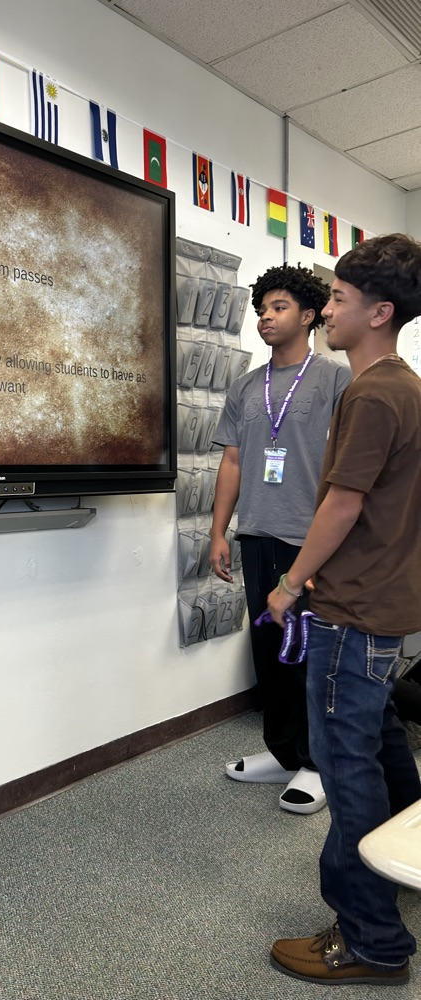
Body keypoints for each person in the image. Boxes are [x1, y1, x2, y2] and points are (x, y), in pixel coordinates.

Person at [267, 233, 421, 986]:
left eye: (337, 300)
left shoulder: (373, 391)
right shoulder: (410, 388)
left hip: (350, 612)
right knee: (386, 746)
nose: (327, 310)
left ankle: (372, 939)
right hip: (387, 610)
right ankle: (405, 869)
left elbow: (343, 505)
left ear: (380, 312)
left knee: (346, 768)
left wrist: (291, 584)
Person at [211, 264, 351, 814]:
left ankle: (317, 763)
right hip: (259, 535)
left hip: (311, 540)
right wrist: (219, 531)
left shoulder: (337, 378)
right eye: (262, 309)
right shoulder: (246, 386)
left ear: (310, 314)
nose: (266, 318)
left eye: (279, 308)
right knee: (270, 649)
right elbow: (232, 460)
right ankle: (283, 750)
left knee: (312, 655)